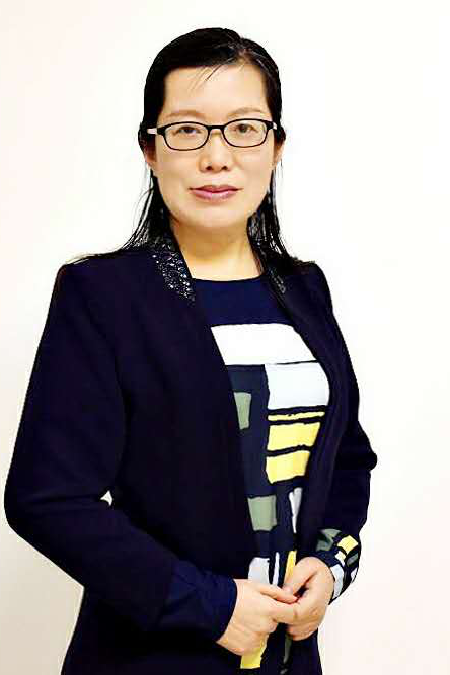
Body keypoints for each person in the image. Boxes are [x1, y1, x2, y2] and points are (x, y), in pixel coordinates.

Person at [4, 27, 378, 675]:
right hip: (152, 658)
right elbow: (47, 498)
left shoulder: (303, 289)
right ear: (150, 149)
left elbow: (347, 456)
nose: (216, 157)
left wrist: (328, 565)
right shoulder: (104, 294)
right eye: (186, 130)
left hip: (289, 657)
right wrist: (209, 604)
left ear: (276, 147)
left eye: (244, 128)